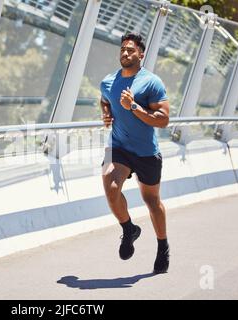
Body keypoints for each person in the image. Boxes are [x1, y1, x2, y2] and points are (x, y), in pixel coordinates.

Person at [100, 33, 170, 274]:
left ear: (141, 54)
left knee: (152, 201)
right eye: (122, 50)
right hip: (118, 147)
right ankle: (129, 229)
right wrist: (106, 113)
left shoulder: (151, 82)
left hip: (146, 152)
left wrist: (134, 107)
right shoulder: (108, 81)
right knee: (110, 187)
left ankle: (162, 247)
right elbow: (104, 99)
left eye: (130, 50)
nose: (125, 53)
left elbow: (163, 120)